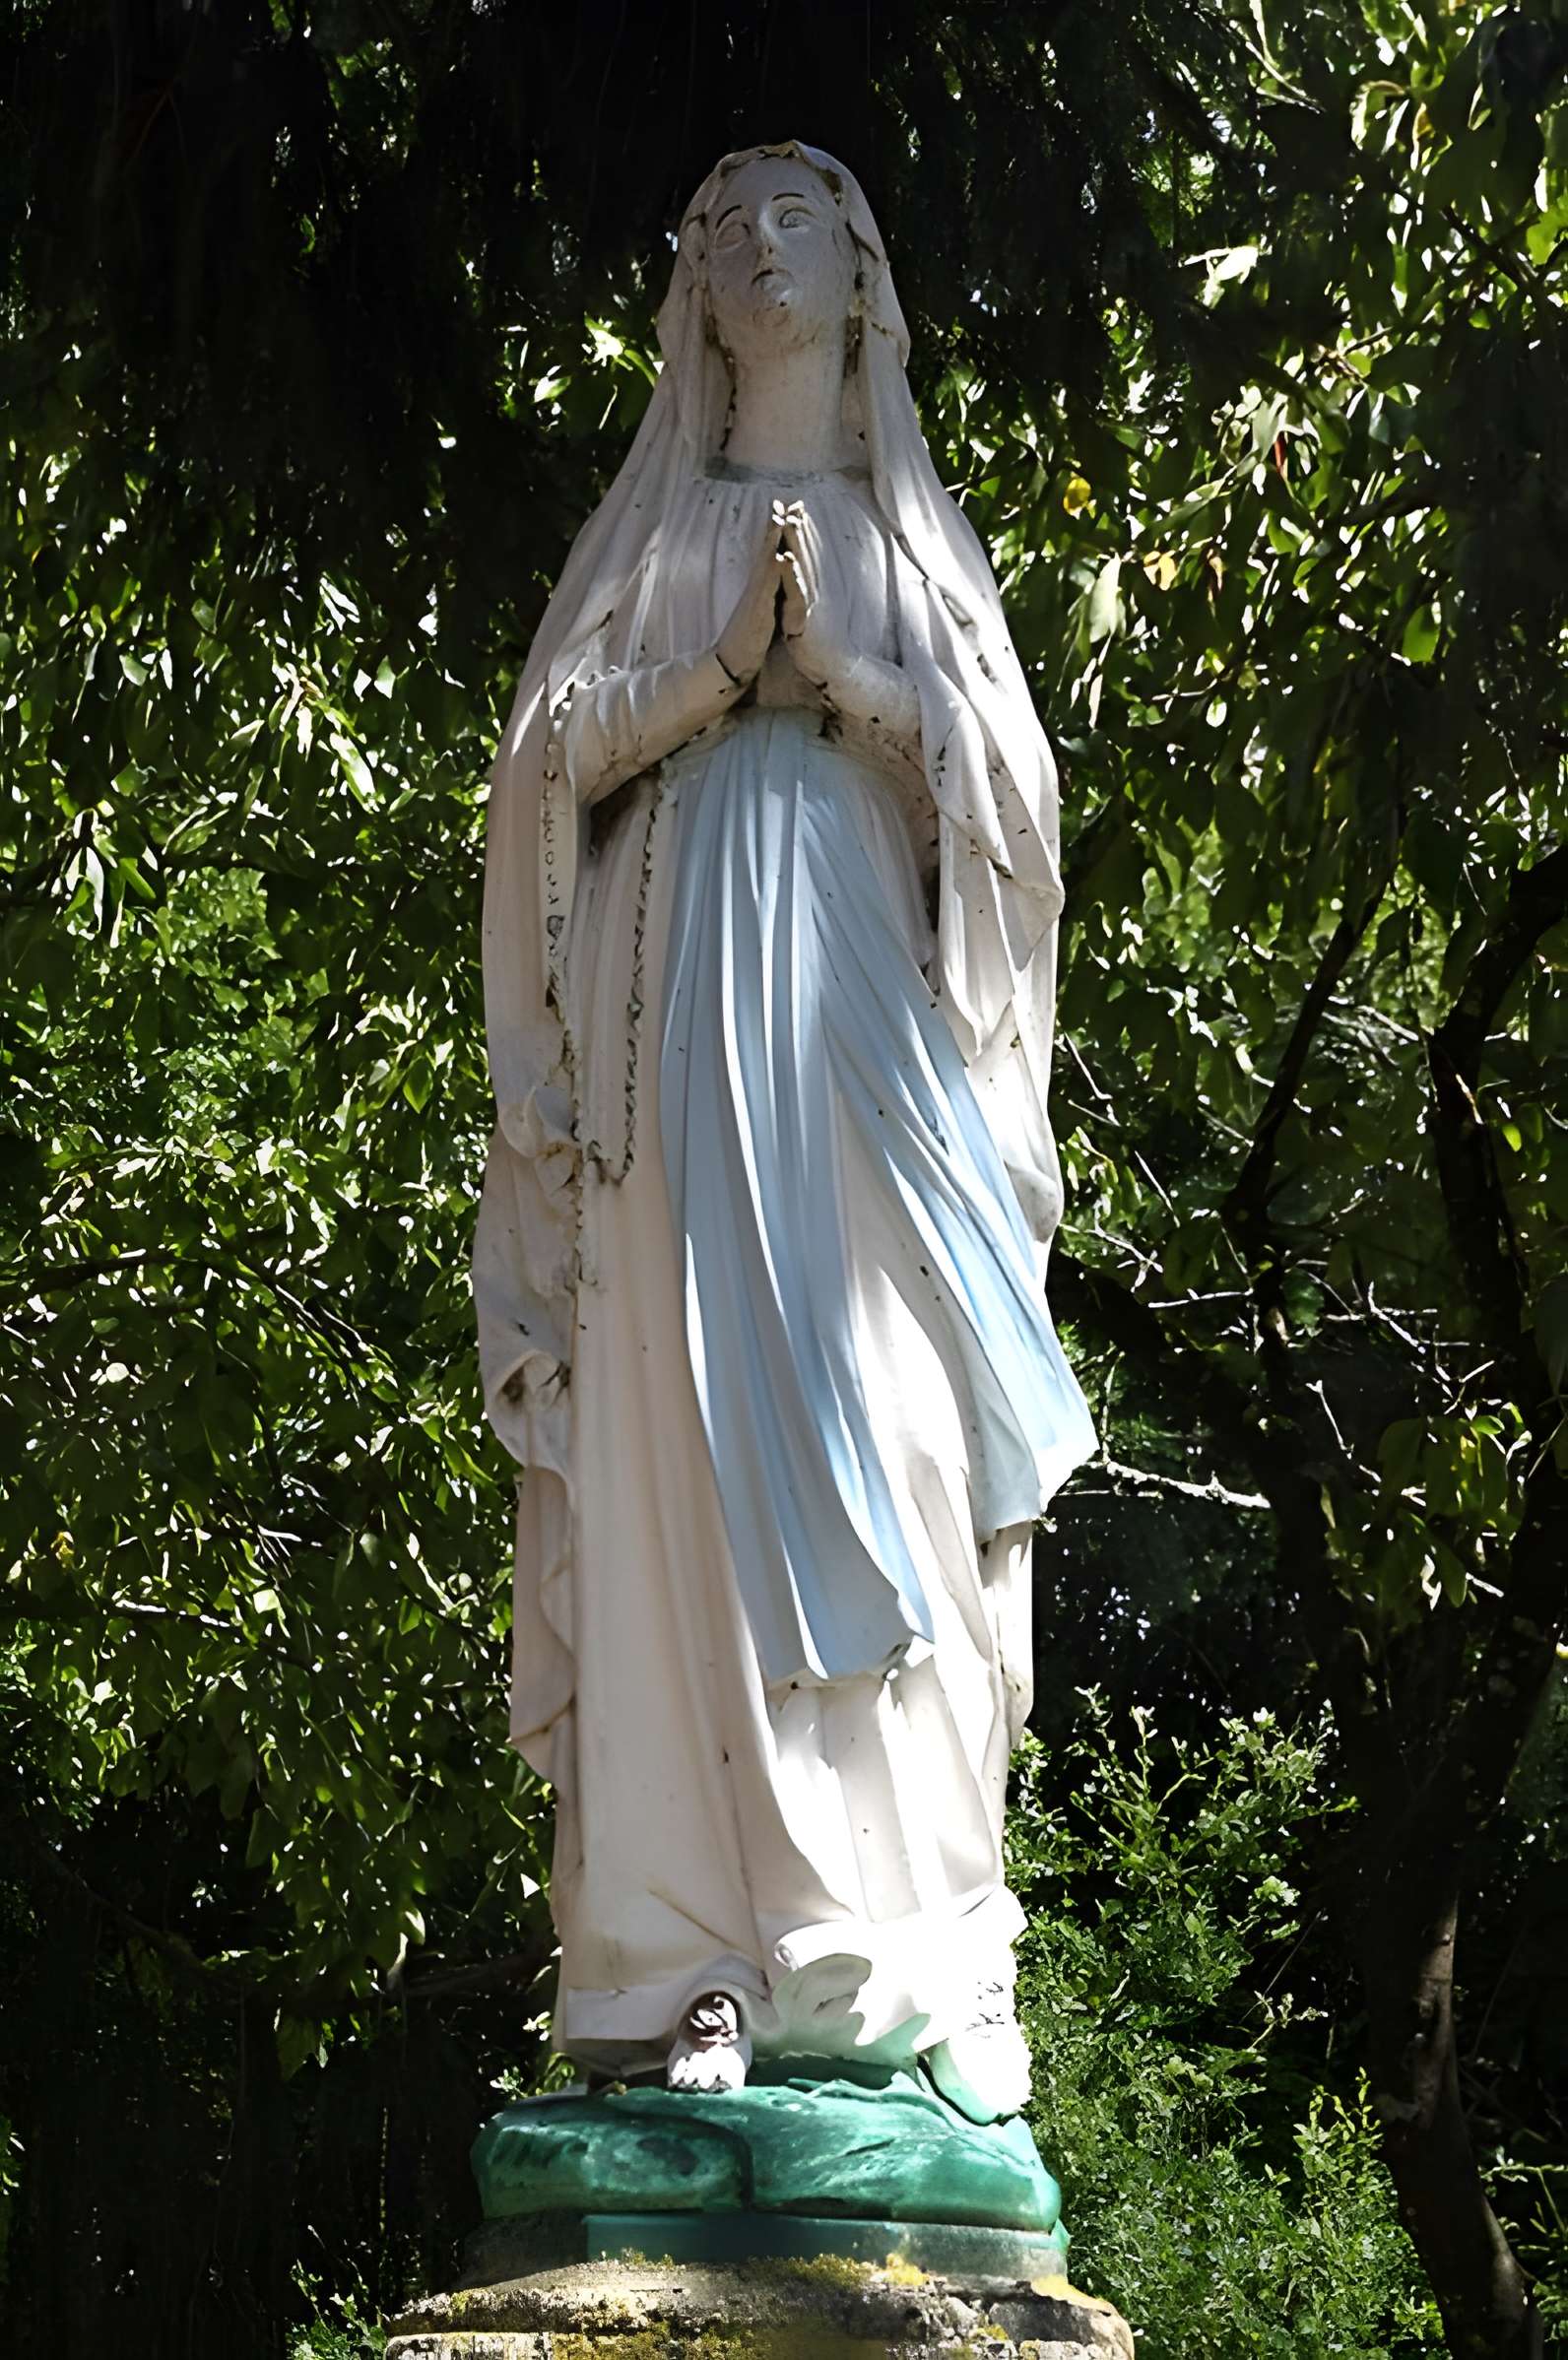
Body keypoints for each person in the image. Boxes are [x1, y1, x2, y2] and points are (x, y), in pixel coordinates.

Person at [473, 141, 1095, 2123]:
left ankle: (892, 1952)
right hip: (668, 1067)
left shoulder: (913, 535)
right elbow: (539, 780)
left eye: (795, 213)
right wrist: (705, 683)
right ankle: (689, 1959)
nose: (757, 241)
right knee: (680, 1479)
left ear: (859, 268)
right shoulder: (654, 529)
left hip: (865, 1072)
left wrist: (852, 686)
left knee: (894, 1444)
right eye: (722, 220)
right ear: (690, 286)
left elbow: (1012, 815)